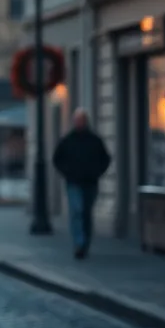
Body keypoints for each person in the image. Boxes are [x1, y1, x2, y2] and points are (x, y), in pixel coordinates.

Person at [51, 107, 111, 260]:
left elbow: (105, 158)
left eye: (82, 120)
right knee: (77, 211)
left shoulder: (94, 140)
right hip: (74, 182)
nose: (79, 123)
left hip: (90, 182)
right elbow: (57, 158)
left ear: (86, 122)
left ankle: (85, 242)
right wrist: (67, 172)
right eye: (77, 120)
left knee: (86, 213)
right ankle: (79, 243)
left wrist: (97, 172)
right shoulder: (68, 140)